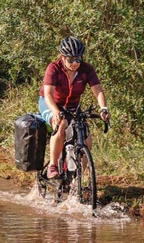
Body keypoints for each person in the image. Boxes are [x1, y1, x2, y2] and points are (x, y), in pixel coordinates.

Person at [39, 36, 110, 178]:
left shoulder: (86, 69)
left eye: (78, 59)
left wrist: (103, 108)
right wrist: (55, 112)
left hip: (72, 106)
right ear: (62, 57)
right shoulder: (54, 68)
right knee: (61, 124)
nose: (75, 63)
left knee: (86, 137)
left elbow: (98, 90)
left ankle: (78, 177)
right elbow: (48, 94)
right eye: (71, 60)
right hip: (50, 103)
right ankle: (53, 166)